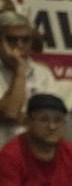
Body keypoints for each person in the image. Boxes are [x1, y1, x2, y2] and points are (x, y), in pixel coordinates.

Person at [0, 13, 58, 150]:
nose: (19, 45)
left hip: (34, 153)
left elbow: (51, 120)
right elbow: (10, 113)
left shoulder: (42, 74)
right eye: (12, 40)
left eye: (25, 40)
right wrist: (20, 70)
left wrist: (26, 119)